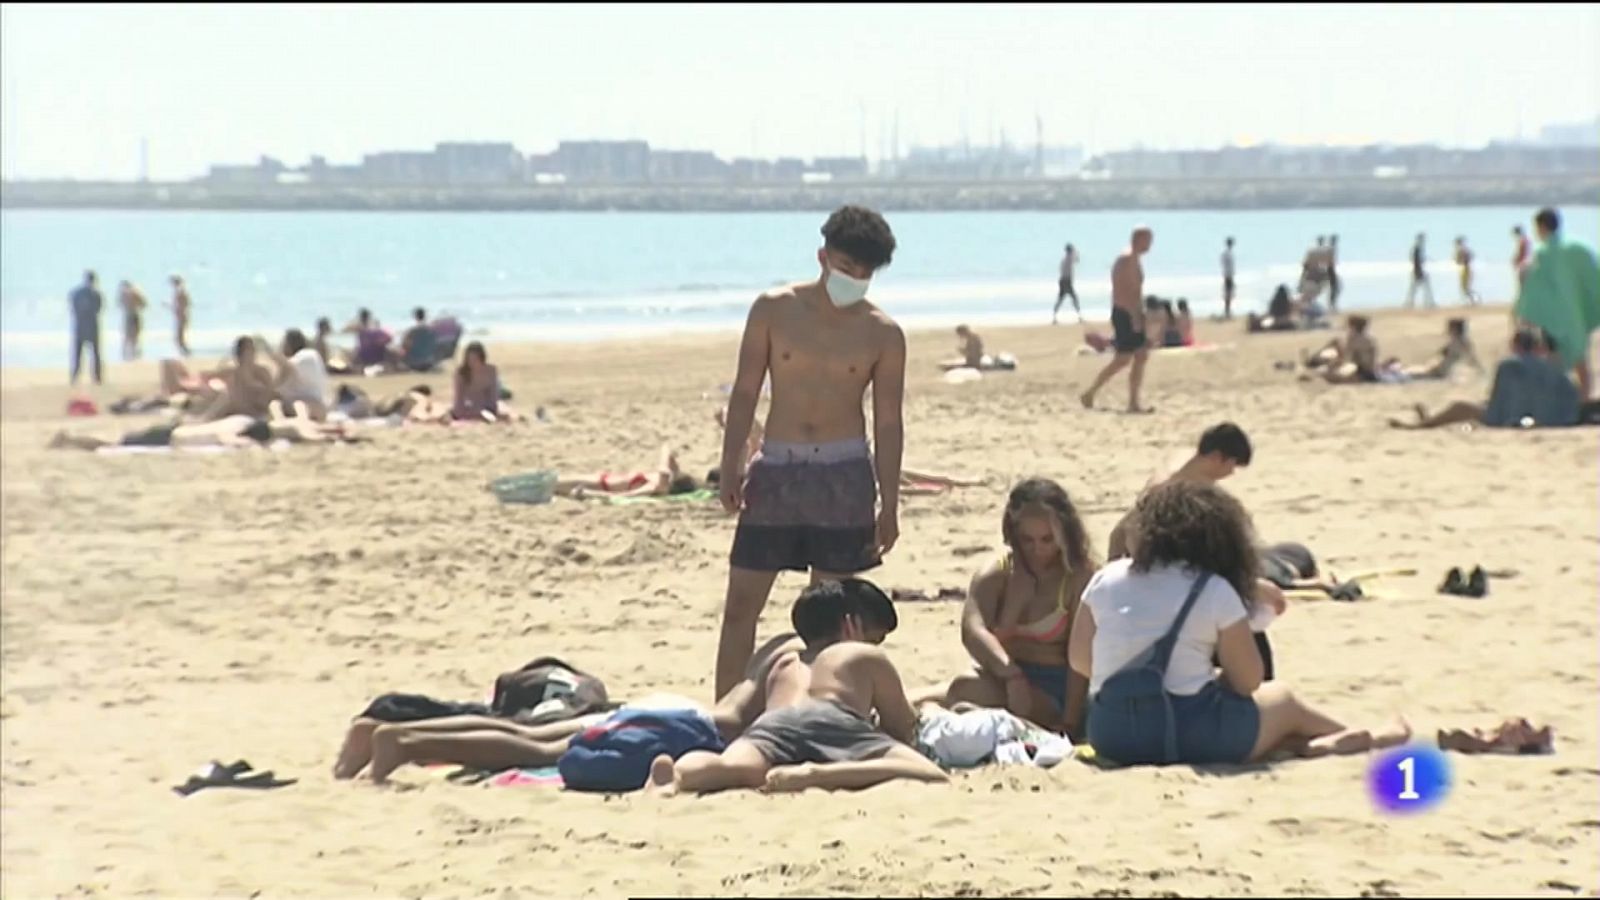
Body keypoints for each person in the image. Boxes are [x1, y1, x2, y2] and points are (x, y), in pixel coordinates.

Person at [1069, 480, 1411, 766]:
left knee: (1249, 721)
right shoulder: (1213, 589)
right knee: (1282, 699)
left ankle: (1306, 745)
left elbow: (1080, 660)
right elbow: (1248, 681)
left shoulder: (1105, 578)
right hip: (1189, 736)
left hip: (1112, 735)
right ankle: (1353, 735)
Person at [713, 205, 907, 700]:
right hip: (778, 468)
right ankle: (725, 715)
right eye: (846, 268)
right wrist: (732, 462)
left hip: (843, 475)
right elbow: (744, 392)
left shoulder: (883, 333)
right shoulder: (774, 309)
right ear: (823, 257)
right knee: (741, 607)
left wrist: (890, 501)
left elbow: (888, 421)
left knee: (830, 620)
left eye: (864, 274)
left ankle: (820, 712)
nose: (853, 280)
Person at [648, 579, 947, 795]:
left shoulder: (782, 658)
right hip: (833, 718)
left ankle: (678, 775)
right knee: (927, 772)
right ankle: (817, 775)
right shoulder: (862, 655)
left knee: (733, 766)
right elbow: (902, 727)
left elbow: (741, 717)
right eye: (874, 636)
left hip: (774, 722)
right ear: (850, 625)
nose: (874, 644)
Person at [935, 479, 1095, 737]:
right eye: (1027, 540)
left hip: (1059, 688)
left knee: (963, 690)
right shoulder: (999, 572)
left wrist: (1069, 722)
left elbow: (1080, 660)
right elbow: (973, 630)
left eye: (1047, 539)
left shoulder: (1077, 577)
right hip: (1005, 676)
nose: (1038, 549)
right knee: (959, 688)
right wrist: (1011, 675)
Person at [1389, 328, 1580, 430]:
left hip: (1511, 416)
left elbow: (1498, 400)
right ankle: (1427, 420)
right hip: (1553, 418)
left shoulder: (1508, 365)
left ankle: (1422, 425)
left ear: (1515, 345)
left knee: (1460, 407)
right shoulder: (1553, 367)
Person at [1514, 207, 1600, 400]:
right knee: (1581, 357)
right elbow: (1594, 278)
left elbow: (1532, 284)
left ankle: (1555, 400)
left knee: (1552, 357)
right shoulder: (1580, 248)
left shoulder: (1541, 253)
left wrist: (1523, 313)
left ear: (1542, 227)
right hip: (1576, 314)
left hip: (1551, 317)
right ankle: (1585, 398)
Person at [1080, 226, 1155, 413]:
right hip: (1125, 314)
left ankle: (1133, 402)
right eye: (1148, 240)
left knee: (1141, 356)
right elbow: (1122, 292)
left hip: (1134, 314)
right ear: (1138, 239)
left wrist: (1141, 314)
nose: (1150, 245)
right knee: (1123, 359)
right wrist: (1133, 316)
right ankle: (1090, 392)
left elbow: (1136, 292)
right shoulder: (1126, 260)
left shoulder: (1135, 260)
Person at [49, 414, 356, 452]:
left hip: (175, 431)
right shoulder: (238, 427)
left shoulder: (240, 417)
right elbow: (228, 440)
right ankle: (71, 440)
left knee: (121, 439)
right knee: (116, 443)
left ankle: (73, 438)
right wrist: (247, 446)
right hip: (171, 437)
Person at [556, 445, 703, 499]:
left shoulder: (655, 488)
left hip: (599, 485)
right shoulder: (661, 478)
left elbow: (623, 496)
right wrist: (664, 467)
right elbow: (666, 448)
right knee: (553, 481)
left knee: (552, 484)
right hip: (603, 478)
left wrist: (590, 494)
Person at [256, 329, 330, 420]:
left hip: (305, 406)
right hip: (319, 407)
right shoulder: (312, 355)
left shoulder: (305, 356)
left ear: (289, 344)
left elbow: (286, 369)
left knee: (274, 404)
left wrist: (274, 355)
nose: (282, 346)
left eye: (283, 343)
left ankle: (281, 422)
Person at [199, 336, 277, 421]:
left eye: (251, 351)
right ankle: (206, 417)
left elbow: (267, 395)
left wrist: (252, 383)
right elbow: (205, 376)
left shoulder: (262, 372)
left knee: (226, 396)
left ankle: (206, 417)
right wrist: (209, 390)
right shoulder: (233, 371)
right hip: (236, 412)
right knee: (224, 395)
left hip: (256, 413)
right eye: (247, 352)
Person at [1395, 318, 1483, 380]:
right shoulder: (1456, 342)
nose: (1448, 330)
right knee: (1413, 369)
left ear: (1455, 329)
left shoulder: (1462, 343)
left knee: (1410, 372)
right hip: (1440, 369)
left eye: (1450, 328)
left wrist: (1480, 371)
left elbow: (1472, 359)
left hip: (1443, 372)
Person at [1303, 315, 1379, 384]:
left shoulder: (1356, 339)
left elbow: (1348, 359)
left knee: (1330, 375)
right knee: (1327, 371)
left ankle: (1314, 372)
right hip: (1365, 371)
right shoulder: (1366, 338)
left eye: (1348, 326)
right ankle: (1315, 372)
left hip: (1362, 373)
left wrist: (1335, 360)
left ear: (1353, 327)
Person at [448, 341, 505, 422]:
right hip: (469, 407)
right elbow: (458, 399)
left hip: (487, 406)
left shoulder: (490, 370)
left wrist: (492, 409)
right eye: (469, 359)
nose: (472, 362)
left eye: (475, 359)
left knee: (504, 411)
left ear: (482, 358)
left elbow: (493, 395)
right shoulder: (461, 373)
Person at [69, 270, 104, 386]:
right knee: (94, 353)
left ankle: (75, 377)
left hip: (80, 326)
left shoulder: (77, 293)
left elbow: (73, 308)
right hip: (91, 326)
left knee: (79, 354)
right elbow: (98, 309)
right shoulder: (96, 294)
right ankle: (97, 378)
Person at [399, 307, 441, 372]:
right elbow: (436, 346)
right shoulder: (432, 331)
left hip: (414, 364)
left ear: (415, 317)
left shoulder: (411, 331)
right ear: (425, 316)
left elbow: (404, 347)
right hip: (429, 363)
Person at [118, 281, 148, 361]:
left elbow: (119, 304)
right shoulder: (136, 292)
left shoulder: (124, 293)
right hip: (135, 314)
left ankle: (126, 356)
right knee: (135, 338)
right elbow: (144, 304)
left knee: (127, 337)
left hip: (129, 316)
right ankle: (135, 356)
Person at [1054, 243, 1081, 324]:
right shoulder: (1069, 258)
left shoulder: (1064, 259)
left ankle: (1054, 316)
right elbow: (1077, 260)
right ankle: (1079, 316)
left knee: (1061, 299)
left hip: (1063, 280)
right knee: (1074, 298)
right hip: (1067, 281)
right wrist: (1076, 252)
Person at [1406, 234, 1434, 309]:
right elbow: (1416, 261)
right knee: (1419, 288)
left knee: (1415, 288)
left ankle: (1412, 303)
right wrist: (1419, 271)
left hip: (1419, 270)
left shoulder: (1418, 248)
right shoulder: (1417, 249)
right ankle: (1427, 303)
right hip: (1418, 271)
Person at [169, 275, 192, 356]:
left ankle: (186, 352)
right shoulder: (181, 291)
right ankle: (185, 352)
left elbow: (183, 304)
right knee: (179, 337)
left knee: (179, 337)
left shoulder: (180, 291)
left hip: (181, 316)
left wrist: (177, 309)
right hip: (181, 316)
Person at [1455, 237, 1481, 305]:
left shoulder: (1461, 249)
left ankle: (1472, 300)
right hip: (1465, 268)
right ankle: (1471, 300)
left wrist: (1462, 259)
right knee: (1465, 287)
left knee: (1465, 287)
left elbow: (1458, 260)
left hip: (1465, 268)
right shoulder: (1464, 249)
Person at [1220, 237, 1236, 320]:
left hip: (1229, 275)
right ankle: (1227, 312)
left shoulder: (1228, 253)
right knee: (1228, 294)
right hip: (1228, 275)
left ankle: (1228, 311)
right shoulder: (1227, 253)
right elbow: (1224, 264)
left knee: (1229, 294)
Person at [1326, 234, 1342, 313]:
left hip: (1331, 270)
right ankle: (1332, 306)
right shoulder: (1331, 249)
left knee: (1335, 289)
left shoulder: (1331, 249)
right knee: (1335, 289)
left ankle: (1332, 306)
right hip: (1330, 270)